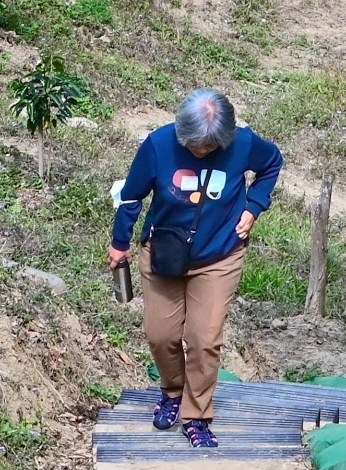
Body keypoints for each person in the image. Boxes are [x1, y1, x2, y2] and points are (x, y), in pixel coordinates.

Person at [110, 89, 282, 448]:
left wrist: (253, 207)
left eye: (209, 146)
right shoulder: (158, 145)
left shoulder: (244, 143)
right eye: (195, 145)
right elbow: (131, 196)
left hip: (220, 254)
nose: (202, 151)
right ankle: (172, 392)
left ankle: (197, 414)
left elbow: (271, 164)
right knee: (160, 334)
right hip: (165, 254)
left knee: (204, 340)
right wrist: (119, 243)